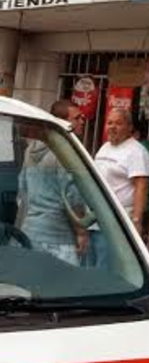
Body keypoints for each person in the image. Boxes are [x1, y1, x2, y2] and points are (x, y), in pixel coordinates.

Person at [16, 100, 87, 265]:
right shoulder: (65, 154)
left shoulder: (31, 149)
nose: (82, 121)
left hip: (30, 232)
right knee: (64, 287)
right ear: (62, 122)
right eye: (77, 118)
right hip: (58, 237)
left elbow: (22, 190)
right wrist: (81, 232)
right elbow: (73, 198)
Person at [95, 108, 149, 235]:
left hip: (119, 222)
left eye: (118, 123)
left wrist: (136, 221)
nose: (112, 127)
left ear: (130, 127)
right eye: (109, 123)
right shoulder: (104, 147)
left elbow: (141, 187)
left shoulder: (136, 151)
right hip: (96, 219)